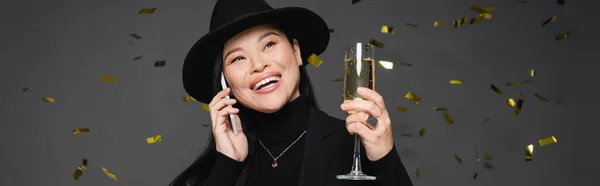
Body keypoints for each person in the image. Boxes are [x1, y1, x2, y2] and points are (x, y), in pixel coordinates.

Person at [172, 0, 413, 185]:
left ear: (297, 51)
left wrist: (385, 158)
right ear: (226, 82)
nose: (258, 65)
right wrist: (227, 164)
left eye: (269, 44)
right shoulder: (214, 170)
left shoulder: (354, 146)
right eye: (238, 58)